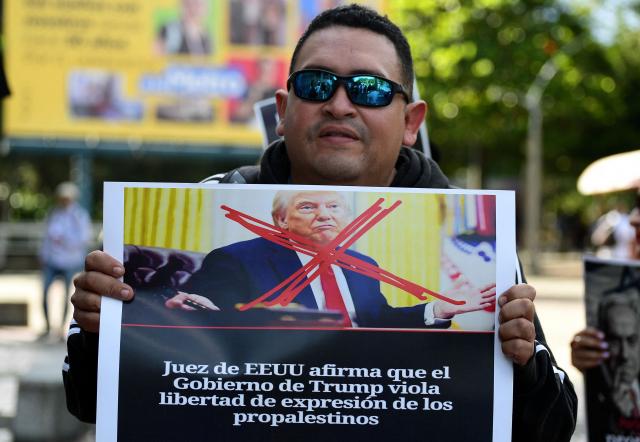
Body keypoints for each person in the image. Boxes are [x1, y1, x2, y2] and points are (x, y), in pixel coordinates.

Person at [65, 5, 577, 440]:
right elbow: (95, 400)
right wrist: (101, 333)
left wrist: (522, 363)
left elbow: (552, 424)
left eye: (370, 90)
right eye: (316, 85)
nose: (338, 104)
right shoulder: (221, 214)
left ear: (411, 122)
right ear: (284, 111)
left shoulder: (477, 235)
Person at [165, 190, 495, 328]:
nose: (324, 215)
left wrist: (438, 309)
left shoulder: (363, 264)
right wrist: (197, 306)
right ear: (281, 220)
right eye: (308, 207)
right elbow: (213, 309)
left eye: (334, 208)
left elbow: (376, 321)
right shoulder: (236, 258)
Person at [40, 182, 92, 338]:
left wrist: (64, 240)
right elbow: (47, 238)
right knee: (44, 292)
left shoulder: (79, 216)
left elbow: (83, 239)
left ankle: (61, 328)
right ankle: (48, 327)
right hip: (52, 260)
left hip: (69, 261)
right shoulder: (54, 214)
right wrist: (43, 255)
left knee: (67, 296)